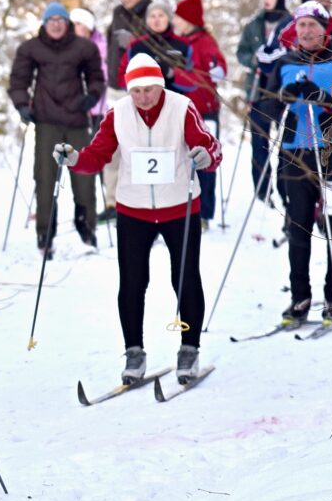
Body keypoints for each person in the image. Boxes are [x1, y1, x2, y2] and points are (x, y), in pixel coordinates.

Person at [52, 54, 222, 384]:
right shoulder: (118, 113)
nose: (143, 97)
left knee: (184, 277)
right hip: (133, 208)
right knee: (132, 282)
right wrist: (73, 158)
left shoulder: (181, 107)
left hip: (179, 206)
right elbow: (97, 155)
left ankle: (189, 347)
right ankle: (134, 351)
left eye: (149, 89)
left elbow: (209, 146)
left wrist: (206, 156)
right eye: (136, 91)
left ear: (160, 85)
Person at [268, 0, 332, 325]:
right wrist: (282, 99)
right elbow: (265, 107)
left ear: (325, 29)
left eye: (313, 25)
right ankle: (300, 298)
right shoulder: (285, 62)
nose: (307, 31)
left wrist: (321, 98)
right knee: (298, 226)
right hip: (295, 152)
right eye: (301, 26)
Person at [8, 2, 106, 257]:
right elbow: (19, 79)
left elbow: (96, 77)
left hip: (76, 119)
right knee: (45, 176)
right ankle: (45, 233)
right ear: (44, 23)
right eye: (50, 19)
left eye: (60, 19)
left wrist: (93, 96)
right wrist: (22, 105)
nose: (55, 23)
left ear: (67, 23)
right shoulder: (31, 48)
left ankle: (86, 229)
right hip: (46, 119)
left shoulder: (84, 47)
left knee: (84, 177)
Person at [102, 0, 154, 223]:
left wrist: (134, 40)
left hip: (140, 89)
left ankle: (142, 201)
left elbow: (157, 44)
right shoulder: (117, 13)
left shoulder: (151, 11)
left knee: (139, 145)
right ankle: (112, 200)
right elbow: (110, 44)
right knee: (112, 145)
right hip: (114, 86)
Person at [172, 0, 228, 230]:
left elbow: (218, 73)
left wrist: (180, 76)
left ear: (189, 20)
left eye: (178, 17)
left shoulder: (205, 42)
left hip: (204, 111)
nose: (174, 21)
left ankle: (204, 213)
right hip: (182, 111)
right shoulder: (176, 40)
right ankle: (185, 208)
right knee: (183, 162)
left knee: (205, 161)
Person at [235, 0, 292, 204]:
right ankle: (262, 190)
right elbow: (242, 52)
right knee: (259, 143)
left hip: (281, 93)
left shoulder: (291, 22)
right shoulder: (254, 24)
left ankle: (284, 188)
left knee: (285, 145)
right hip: (258, 91)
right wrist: (255, 61)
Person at [70, 8, 108, 126]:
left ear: (88, 26)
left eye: (78, 24)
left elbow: (103, 76)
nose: (73, 28)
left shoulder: (102, 47)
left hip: (98, 110)